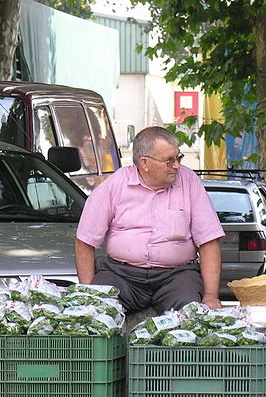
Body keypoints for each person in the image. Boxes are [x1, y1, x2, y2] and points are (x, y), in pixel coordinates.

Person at [75, 126, 224, 314]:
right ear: (145, 163)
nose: (177, 165)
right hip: (121, 275)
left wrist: (211, 295)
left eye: (178, 158)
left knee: (190, 312)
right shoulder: (116, 184)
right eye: (169, 160)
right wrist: (88, 291)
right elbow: (85, 240)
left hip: (176, 276)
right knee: (97, 309)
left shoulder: (189, 181)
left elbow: (209, 240)